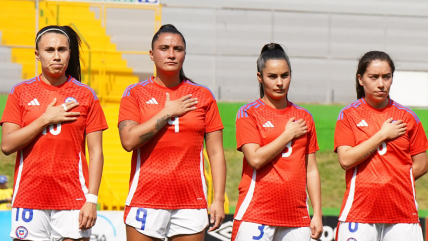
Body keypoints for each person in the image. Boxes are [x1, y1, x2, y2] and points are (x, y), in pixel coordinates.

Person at [118, 24, 226, 241]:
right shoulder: (135, 93)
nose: (171, 54)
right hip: (145, 198)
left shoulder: (202, 95)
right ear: (151, 54)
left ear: (185, 54)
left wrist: (218, 200)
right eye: (164, 48)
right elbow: (128, 141)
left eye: (178, 49)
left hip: (190, 200)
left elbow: (215, 153)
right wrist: (166, 113)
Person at [0, 25, 108, 241]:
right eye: (50, 50)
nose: (57, 56)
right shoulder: (20, 92)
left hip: (74, 198)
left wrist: (92, 199)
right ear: (37, 55)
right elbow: (7, 145)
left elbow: (96, 152)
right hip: (29, 197)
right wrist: (45, 119)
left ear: (70, 53)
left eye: (62, 50)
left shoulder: (86, 95)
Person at [231, 43, 323, 241]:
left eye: (285, 75)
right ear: (260, 77)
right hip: (256, 213)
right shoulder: (248, 113)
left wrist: (317, 213)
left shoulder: (304, 117)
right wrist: (287, 134)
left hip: (297, 217)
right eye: (272, 77)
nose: (279, 82)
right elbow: (255, 159)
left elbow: (311, 169)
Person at [334, 51, 428, 241]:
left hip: (403, 213)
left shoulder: (408, 117)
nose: (381, 84)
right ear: (361, 79)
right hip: (358, 213)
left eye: (386, 77)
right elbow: (346, 159)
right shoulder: (348, 115)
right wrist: (382, 135)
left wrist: (393, 181)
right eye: (374, 77)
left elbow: (422, 164)